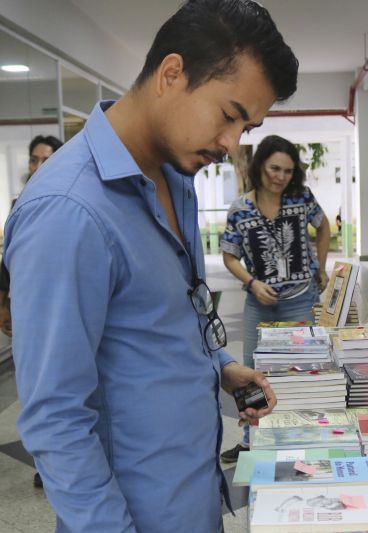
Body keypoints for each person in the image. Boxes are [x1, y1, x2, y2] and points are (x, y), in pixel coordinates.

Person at [3, 1, 298, 531]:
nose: (233, 144)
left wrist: (221, 370)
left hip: (194, 496)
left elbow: (161, 323)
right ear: (171, 73)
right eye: (229, 115)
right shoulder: (70, 212)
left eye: (246, 127)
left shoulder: (175, 178)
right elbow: (55, 420)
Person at [219, 134, 330, 462]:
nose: (280, 177)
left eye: (287, 170)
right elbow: (229, 256)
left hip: (300, 298)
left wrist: (321, 268)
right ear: (260, 167)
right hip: (259, 303)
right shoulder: (240, 208)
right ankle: (251, 438)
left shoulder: (301, 198)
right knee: (252, 371)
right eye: (274, 169)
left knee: (304, 368)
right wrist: (252, 283)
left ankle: (302, 432)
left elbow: (323, 228)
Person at [0, 135, 63, 489]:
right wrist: (3, 304)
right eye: (34, 159)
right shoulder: (18, 203)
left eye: (46, 159)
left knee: (59, 387)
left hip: (56, 309)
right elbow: (8, 260)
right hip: (25, 309)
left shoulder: (66, 200)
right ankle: (46, 460)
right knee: (34, 390)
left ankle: (59, 461)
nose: (39, 166)